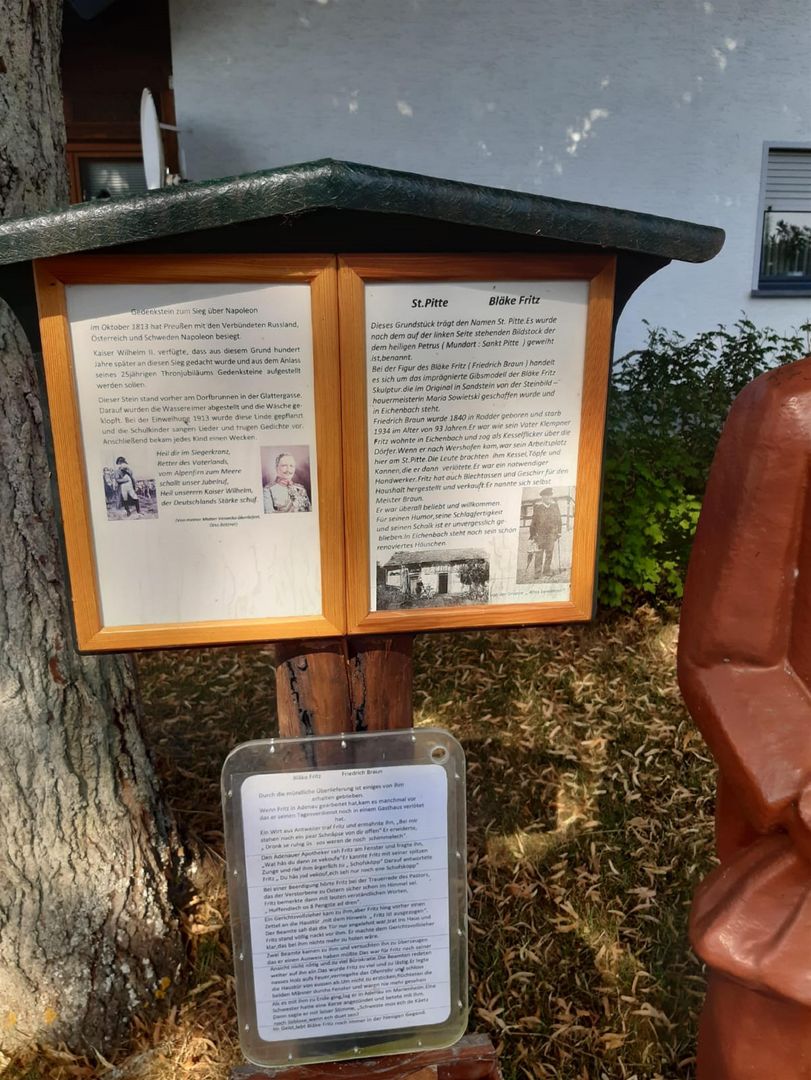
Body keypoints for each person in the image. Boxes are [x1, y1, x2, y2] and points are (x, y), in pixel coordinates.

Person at [529, 488, 561, 578]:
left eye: (550, 495)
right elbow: (533, 523)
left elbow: (559, 520)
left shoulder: (555, 507)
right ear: (542, 497)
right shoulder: (538, 508)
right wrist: (533, 535)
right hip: (540, 535)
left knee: (549, 553)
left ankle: (546, 570)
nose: (549, 497)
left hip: (551, 534)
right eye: (547, 496)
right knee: (539, 553)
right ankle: (537, 572)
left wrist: (559, 532)